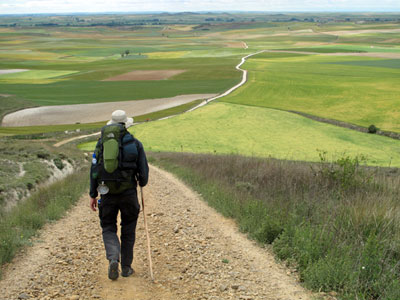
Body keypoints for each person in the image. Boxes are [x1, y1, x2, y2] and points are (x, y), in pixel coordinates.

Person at [89, 110, 149, 280]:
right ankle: (126, 267)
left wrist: (93, 194)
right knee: (128, 229)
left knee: (108, 227)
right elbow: (143, 175)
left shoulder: (101, 144)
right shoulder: (135, 144)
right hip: (128, 193)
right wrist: (141, 182)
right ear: (126, 124)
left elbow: (94, 170)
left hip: (106, 193)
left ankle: (113, 258)